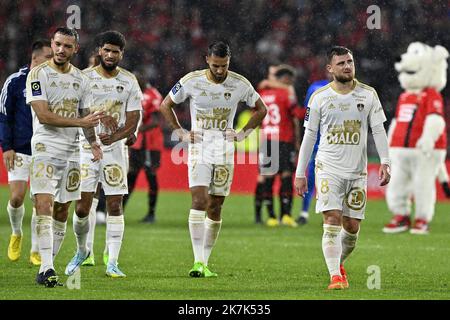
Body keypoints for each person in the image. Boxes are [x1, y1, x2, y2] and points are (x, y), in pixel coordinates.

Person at [160, 41, 267, 277]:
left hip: (225, 150)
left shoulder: (240, 84)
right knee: (199, 201)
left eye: (224, 66)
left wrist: (242, 133)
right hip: (199, 148)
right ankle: (197, 261)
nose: (220, 71)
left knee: (216, 206)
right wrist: (180, 132)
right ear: (207, 59)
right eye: (216, 66)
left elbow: (261, 109)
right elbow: (166, 104)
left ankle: (205, 262)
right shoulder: (191, 80)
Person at [294, 46, 391, 290]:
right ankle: (335, 276)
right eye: (341, 63)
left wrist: (386, 161)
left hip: (357, 171)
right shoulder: (320, 98)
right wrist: (300, 173)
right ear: (330, 69)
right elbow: (309, 136)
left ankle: (337, 263)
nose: (347, 66)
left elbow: (378, 130)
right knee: (332, 219)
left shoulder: (368, 95)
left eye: (350, 61)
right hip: (328, 168)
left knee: (352, 227)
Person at [26, 27, 103, 287]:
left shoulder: (82, 80)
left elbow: (87, 116)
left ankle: (48, 265)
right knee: (44, 205)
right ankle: (46, 268)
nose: (61, 50)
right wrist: (81, 121)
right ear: (52, 43)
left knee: (62, 209)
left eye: (67, 46)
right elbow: (44, 116)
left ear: (75, 49)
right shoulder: (38, 74)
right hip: (45, 148)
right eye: (57, 44)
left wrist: (93, 143)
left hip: (72, 152)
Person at [66, 30, 142, 278]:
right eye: (106, 50)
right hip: (86, 148)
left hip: (115, 151)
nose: (110, 55)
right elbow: (75, 113)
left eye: (115, 51)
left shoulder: (129, 81)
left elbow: (134, 118)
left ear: (122, 54)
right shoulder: (83, 79)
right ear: (99, 51)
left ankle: (113, 262)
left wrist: (118, 136)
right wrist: (97, 123)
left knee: (114, 204)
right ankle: (82, 250)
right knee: (81, 208)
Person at [0, 39, 53, 265]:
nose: (53, 60)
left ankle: (35, 249)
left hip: (44, 150)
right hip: (19, 149)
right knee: (16, 196)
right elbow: (3, 115)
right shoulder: (15, 81)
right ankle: (16, 233)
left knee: (39, 200)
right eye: (49, 56)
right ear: (36, 58)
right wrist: (6, 147)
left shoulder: (53, 82)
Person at [254, 65, 301, 227]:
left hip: (267, 139)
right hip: (284, 138)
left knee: (267, 177)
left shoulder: (262, 94)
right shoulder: (285, 93)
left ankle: (271, 217)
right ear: (286, 79)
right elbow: (297, 113)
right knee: (286, 176)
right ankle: (286, 215)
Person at [123, 79, 163, 223]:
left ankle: (151, 213)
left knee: (151, 175)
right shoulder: (134, 93)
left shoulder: (154, 95)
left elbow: (158, 120)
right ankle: (119, 212)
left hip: (150, 143)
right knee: (131, 176)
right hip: (137, 143)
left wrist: (138, 128)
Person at [296, 79, 330, 225]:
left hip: (332, 146)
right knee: (312, 179)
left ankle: (331, 213)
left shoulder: (315, 89)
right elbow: (307, 119)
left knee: (326, 181)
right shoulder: (318, 89)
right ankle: (304, 212)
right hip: (318, 144)